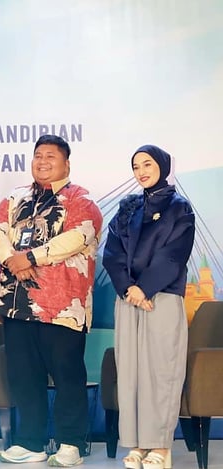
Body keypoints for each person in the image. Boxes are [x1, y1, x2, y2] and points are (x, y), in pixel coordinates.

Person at [0, 135, 103, 467]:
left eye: (50, 156)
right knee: (24, 375)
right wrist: (12, 260)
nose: (42, 161)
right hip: (17, 303)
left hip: (63, 306)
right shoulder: (14, 198)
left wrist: (30, 257)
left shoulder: (81, 200)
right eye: (38, 155)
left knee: (68, 374)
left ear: (66, 164)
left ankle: (71, 443)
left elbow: (77, 237)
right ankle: (30, 442)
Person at [102, 145, 194, 469]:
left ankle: (161, 446)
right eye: (136, 166)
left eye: (148, 164)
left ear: (163, 166)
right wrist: (129, 288)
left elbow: (174, 254)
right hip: (128, 298)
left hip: (162, 296)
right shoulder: (127, 208)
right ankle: (138, 443)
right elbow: (112, 252)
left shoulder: (179, 207)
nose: (141, 171)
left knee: (161, 371)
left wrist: (145, 287)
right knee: (131, 373)